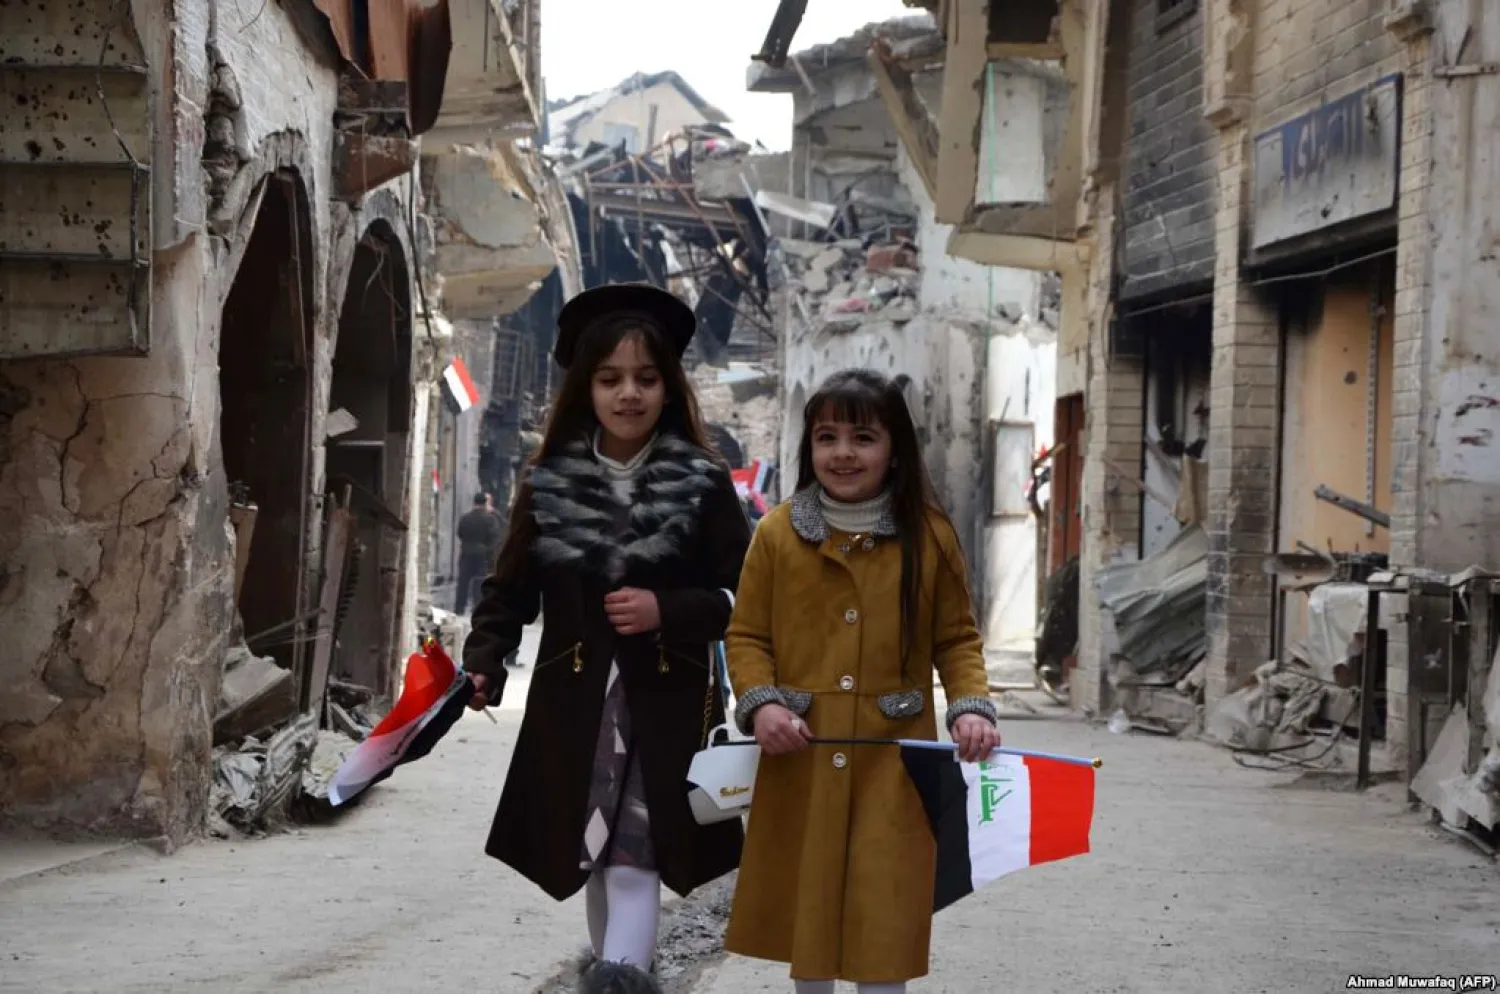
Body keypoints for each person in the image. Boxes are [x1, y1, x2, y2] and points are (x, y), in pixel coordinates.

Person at [462, 282, 752, 994]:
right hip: (576, 706)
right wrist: (484, 661)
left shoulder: (705, 482)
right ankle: (620, 980)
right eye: (611, 378)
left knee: (635, 861)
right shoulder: (549, 482)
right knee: (593, 856)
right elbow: (509, 589)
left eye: (647, 379)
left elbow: (746, 598)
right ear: (585, 387)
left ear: (669, 387)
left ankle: (621, 982)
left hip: (667, 707)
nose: (630, 394)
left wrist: (668, 610)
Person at [722, 368, 1002, 994]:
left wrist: (969, 708)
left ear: (895, 448)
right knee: (810, 913)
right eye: (827, 437)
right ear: (809, 449)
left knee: (886, 915)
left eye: (863, 437)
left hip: (894, 764)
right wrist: (762, 705)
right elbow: (747, 638)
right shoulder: (776, 534)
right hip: (802, 757)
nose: (843, 453)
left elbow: (956, 638)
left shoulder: (930, 537)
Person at [454, 492, 502, 615]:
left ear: (474, 502)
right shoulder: (489, 519)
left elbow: (460, 533)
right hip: (482, 556)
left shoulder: (465, 518)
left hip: (465, 554)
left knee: (463, 583)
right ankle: (478, 609)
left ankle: (459, 609)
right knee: (479, 583)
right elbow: (495, 538)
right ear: (485, 503)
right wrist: (488, 550)